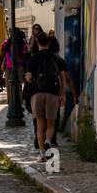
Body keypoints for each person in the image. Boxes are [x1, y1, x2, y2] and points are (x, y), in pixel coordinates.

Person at [25, 31, 62, 162]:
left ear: (37, 42)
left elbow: (29, 78)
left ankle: (42, 154)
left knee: (40, 125)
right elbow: (62, 77)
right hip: (53, 93)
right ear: (49, 42)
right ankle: (48, 141)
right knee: (50, 125)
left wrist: (30, 78)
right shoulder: (56, 58)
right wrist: (62, 94)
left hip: (37, 93)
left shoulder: (33, 58)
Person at [0, 27, 27, 104]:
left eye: (13, 32)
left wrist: (26, 70)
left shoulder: (22, 44)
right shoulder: (5, 43)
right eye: (10, 32)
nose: (12, 33)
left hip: (19, 67)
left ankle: (19, 103)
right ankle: (10, 103)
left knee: (18, 87)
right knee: (9, 86)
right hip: (8, 68)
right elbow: (1, 56)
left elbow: (24, 57)